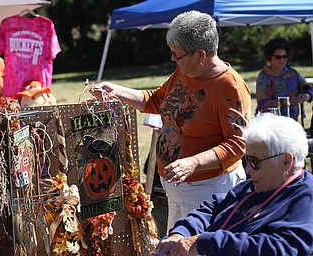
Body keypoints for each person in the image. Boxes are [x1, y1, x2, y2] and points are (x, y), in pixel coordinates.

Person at [91, 10, 251, 234]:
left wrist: (193, 163)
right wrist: (116, 91)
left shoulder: (230, 87)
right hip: (179, 187)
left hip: (209, 190)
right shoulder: (185, 71)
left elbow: (238, 144)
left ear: (201, 54)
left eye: (177, 54)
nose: (173, 59)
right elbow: (157, 100)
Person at [151, 112, 313, 256]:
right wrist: (182, 232)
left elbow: (283, 248)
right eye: (246, 160)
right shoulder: (257, 185)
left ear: (286, 161)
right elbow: (213, 208)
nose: (248, 169)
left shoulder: (306, 198)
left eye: (254, 162)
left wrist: (206, 243)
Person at [256, 37, 313, 121]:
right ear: (270, 57)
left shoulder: (293, 73)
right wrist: (285, 102)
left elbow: (308, 88)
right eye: (278, 57)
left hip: (292, 122)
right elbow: (262, 104)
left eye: (284, 56)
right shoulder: (264, 77)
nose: (282, 59)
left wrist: (306, 96)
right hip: (271, 124)